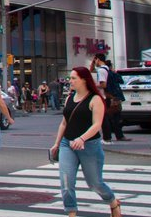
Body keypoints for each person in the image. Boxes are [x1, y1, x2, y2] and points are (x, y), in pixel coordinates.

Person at [49, 67, 122, 217]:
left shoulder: (95, 99)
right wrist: (56, 143)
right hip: (67, 144)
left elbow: (97, 125)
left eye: (74, 78)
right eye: (70, 78)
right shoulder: (70, 98)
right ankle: (71, 213)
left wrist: (82, 138)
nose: (70, 81)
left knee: (95, 184)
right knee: (66, 183)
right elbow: (64, 123)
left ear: (84, 79)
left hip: (89, 146)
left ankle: (113, 202)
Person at [92, 54, 129, 143]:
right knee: (112, 117)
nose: (94, 62)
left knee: (105, 118)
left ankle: (107, 138)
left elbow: (103, 84)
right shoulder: (108, 69)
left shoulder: (101, 70)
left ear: (98, 59)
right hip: (112, 96)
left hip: (105, 96)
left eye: (94, 60)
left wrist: (93, 86)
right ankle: (117, 136)